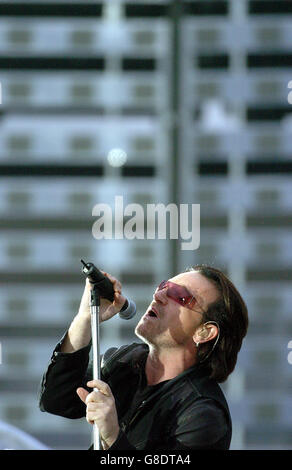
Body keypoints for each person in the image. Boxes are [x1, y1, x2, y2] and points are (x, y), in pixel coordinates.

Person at [39, 264, 248, 450]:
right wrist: (85, 317)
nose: (158, 296)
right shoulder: (126, 361)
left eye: (178, 295)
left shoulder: (203, 415)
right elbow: (56, 400)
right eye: (163, 286)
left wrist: (113, 437)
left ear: (204, 332)